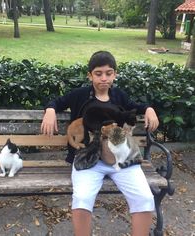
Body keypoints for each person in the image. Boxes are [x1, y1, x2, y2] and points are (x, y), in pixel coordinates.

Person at [41, 51, 159, 236]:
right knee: (82, 198)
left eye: (109, 73)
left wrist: (150, 109)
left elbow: (135, 106)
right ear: (90, 75)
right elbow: (57, 101)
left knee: (144, 198)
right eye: (98, 73)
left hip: (121, 158)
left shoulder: (118, 95)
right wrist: (50, 110)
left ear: (115, 74)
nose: (104, 78)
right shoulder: (79, 95)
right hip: (88, 159)